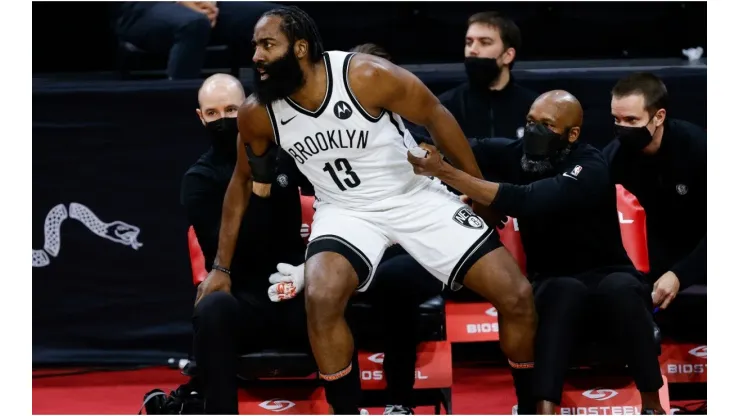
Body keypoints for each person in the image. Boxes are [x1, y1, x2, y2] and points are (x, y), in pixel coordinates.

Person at [202, 6, 538, 415]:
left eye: (267, 45)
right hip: (345, 210)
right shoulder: (259, 112)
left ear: (301, 48)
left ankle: (529, 405)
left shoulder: (364, 75)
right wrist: (220, 268)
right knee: (322, 296)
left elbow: (436, 114)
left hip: (413, 196)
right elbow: (239, 183)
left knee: (516, 294)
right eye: (255, 46)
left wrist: (479, 191)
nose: (256, 56)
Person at [179, 74, 443, 415]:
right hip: (244, 297)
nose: (224, 120)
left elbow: (339, 188)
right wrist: (259, 189)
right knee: (211, 311)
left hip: (297, 291)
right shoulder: (199, 179)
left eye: (231, 109)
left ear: (246, 108)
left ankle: (350, 409)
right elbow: (238, 247)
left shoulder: (285, 155)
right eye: (213, 113)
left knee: (335, 293)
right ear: (201, 118)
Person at [408, 90, 667, 415]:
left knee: (624, 289)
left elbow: (528, 199)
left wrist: (447, 173)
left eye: (547, 125)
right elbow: (457, 144)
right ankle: (543, 409)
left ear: (572, 134)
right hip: (551, 276)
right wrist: (409, 137)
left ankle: (653, 406)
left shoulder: (590, 163)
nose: (534, 131)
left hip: (607, 270)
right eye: (531, 122)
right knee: (564, 291)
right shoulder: (515, 154)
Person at [604, 72, 707, 310]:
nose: (622, 128)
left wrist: (680, 274)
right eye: (616, 120)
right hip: (649, 258)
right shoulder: (613, 159)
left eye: (631, 120)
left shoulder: (698, 150)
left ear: (659, 117)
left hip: (700, 252)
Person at [435, 11, 538, 140]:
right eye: (469, 42)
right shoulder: (444, 108)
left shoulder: (535, 109)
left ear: (508, 55)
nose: (473, 49)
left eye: (485, 42)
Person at [113, 1, 277, 79]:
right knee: (193, 24)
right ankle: (179, 106)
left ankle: (266, 105)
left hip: (204, 5)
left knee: (275, 18)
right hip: (143, 7)